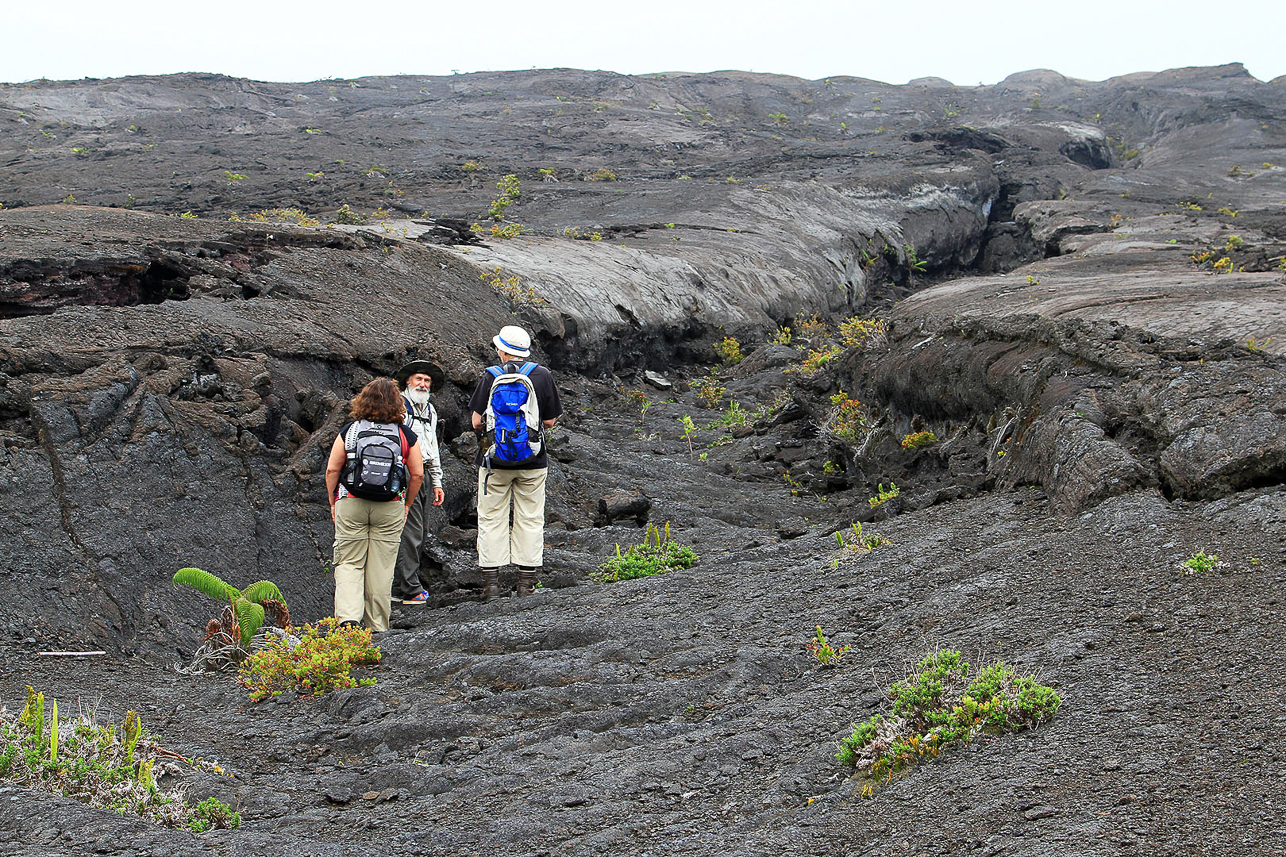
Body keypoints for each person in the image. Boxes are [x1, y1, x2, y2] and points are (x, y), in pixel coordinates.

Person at [469, 325, 562, 598]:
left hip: (493, 461)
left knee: (490, 518)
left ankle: (492, 586)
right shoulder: (542, 375)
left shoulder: (490, 376)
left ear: (502, 351)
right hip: (533, 460)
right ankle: (526, 585)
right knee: (530, 518)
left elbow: (476, 421)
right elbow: (550, 421)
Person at [325, 377, 424, 631]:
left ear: (363, 401)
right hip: (390, 505)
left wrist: (333, 501)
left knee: (349, 562)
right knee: (381, 568)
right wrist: (406, 505)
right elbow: (418, 474)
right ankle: (377, 627)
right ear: (397, 404)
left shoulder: (351, 431)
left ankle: (348, 620)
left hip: (351, 501)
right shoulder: (405, 434)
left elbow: (332, 469)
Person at [392, 359, 446, 605]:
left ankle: (398, 586)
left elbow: (432, 447)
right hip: (404, 473)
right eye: (419, 380)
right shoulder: (399, 408)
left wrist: (437, 481)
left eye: (427, 381)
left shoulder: (430, 411)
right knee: (411, 531)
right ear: (408, 382)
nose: (423, 384)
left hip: (422, 474)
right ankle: (409, 588)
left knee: (421, 531)